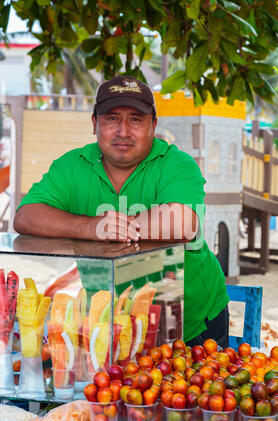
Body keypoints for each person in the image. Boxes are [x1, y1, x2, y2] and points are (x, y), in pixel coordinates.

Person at [13, 75, 230, 348]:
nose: (123, 131)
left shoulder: (176, 163)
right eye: (112, 118)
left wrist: (114, 229)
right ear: (95, 123)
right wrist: (92, 227)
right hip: (107, 321)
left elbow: (182, 223)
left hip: (190, 322)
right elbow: (26, 216)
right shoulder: (72, 165)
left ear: (154, 124)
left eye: (136, 119)